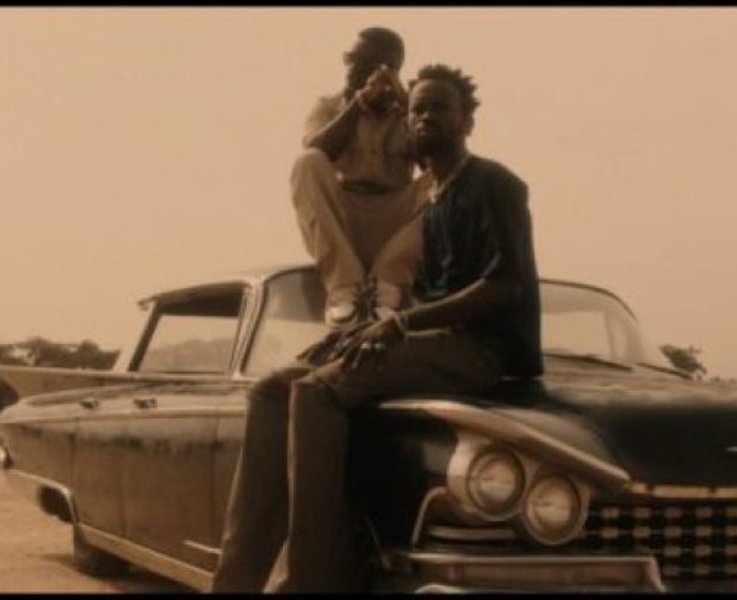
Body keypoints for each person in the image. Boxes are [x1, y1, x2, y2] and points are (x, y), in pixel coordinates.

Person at [210, 62, 542, 593]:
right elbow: (431, 295)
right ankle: (237, 579)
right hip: (440, 341)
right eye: (418, 109)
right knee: (271, 390)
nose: (426, 117)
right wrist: (358, 331)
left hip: (484, 350)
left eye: (440, 108)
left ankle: (311, 580)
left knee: (317, 392)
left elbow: (504, 286)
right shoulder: (432, 199)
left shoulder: (493, 183)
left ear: (467, 122)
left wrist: (399, 324)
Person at [293, 27, 425, 328]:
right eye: (352, 59)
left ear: (392, 71)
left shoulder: (411, 111)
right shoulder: (327, 106)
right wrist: (358, 104)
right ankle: (344, 288)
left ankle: (387, 287)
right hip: (343, 223)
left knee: (444, 182)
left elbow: (434, 160)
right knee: (307, 162)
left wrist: (409, 106)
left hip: (395, 228)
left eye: (369, 64)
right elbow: (318, 148)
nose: (355, 69)